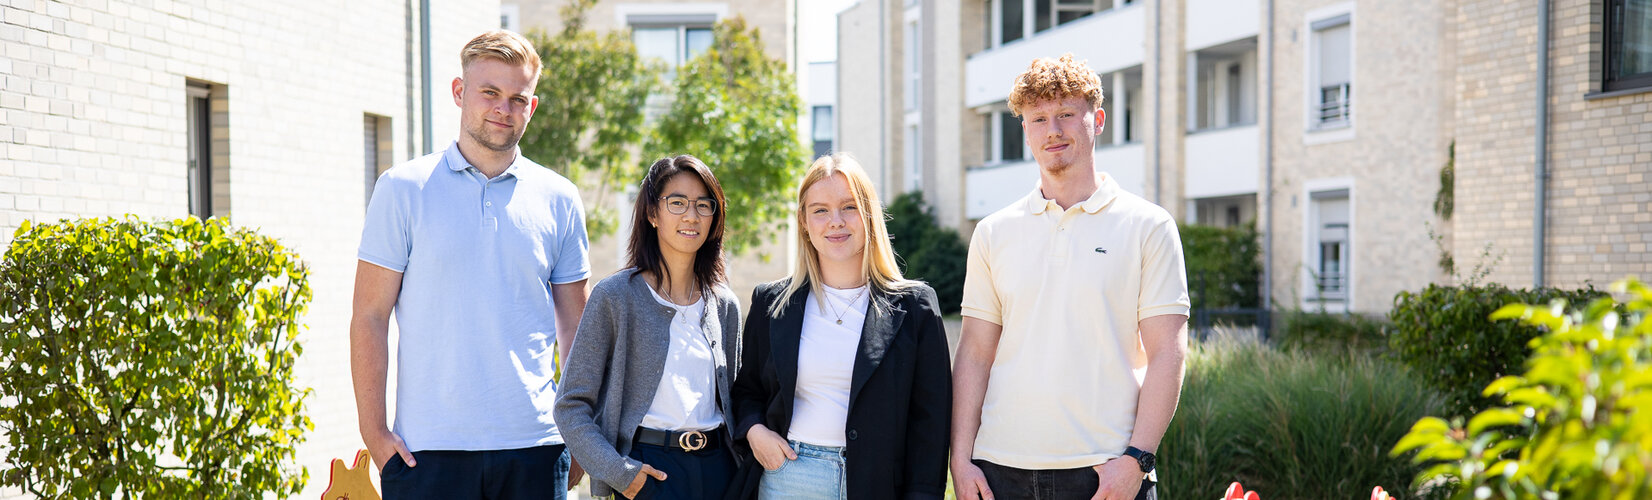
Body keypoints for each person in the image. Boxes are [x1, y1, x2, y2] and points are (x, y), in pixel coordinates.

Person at [351, 30, 590, 500]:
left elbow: (577, 327)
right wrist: (374, 435)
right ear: (460, 92)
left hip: (536, 447)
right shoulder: (402, 189)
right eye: (490, 93)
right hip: (426, 452)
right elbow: (369, 317)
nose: (504, 108)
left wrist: (580, 435)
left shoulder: (559, 198)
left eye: (517, 98)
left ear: (532, 107)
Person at [950, 54, 1191, 500]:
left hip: (1104, 473)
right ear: (1025, 129)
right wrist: (960, 462)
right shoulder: (993, 232)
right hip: (999, 472)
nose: (1053, 131)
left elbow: (1168, 353)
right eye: (1038, 118)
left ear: (1096, 120)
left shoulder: (1148, 226)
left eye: (1065, 114)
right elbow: (974, 355)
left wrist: (1138, 460)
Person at [730, 153, 952, 500]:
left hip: (878, 483)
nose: (835, 221)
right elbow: (746, 392)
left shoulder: (915, 307)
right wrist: (756, 431)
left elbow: (931, 424)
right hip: (788, 477)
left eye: (849, 207)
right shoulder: (772, 303)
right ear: (804, 221)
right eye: (820, 210)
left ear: (868, 216)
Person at [554, 155, 743, 500]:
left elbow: (736, 402)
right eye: (677, 202)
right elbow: (570, 405)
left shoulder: (725, 305)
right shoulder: (615, 297)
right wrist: (620, 474)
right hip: (649, 472)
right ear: (652, 214)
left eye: (704, 204)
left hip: (720, 471)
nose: (691, 215)